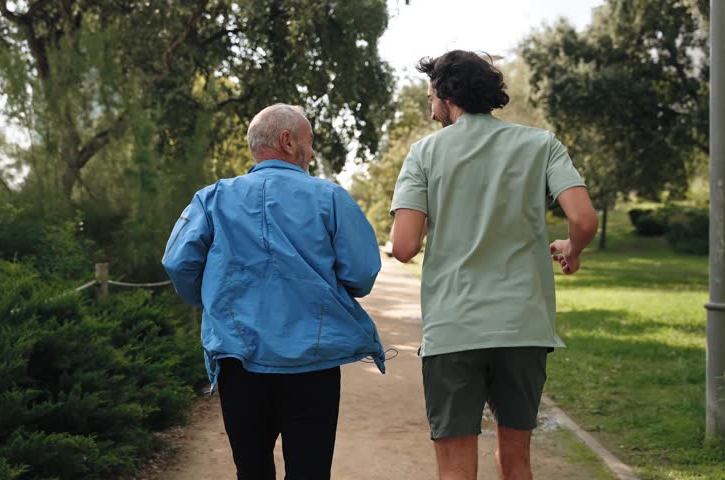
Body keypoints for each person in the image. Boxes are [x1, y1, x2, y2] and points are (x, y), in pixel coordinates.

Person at [390, 50, 599, 480]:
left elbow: (405, 246)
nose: (430, 110)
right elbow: (582, 219)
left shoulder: (424, 154)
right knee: (517, 460)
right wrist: (572, 250)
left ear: (447, 95)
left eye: (430, 97)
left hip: (453, 329)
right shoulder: (542, 144)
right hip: (523, 327)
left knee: (455, 469)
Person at [162, 103, 386, 480]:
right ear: (287, 141)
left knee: (251, 472)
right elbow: (362, 276)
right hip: (312, 367)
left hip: (240, 363)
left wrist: (214, 301)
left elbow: (177, 262)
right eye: (309, 141)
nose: (312, 152)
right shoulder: (331, 198)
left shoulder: (212, 198)